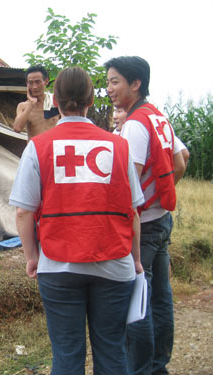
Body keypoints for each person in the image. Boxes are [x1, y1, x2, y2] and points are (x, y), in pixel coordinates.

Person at [10, 66, 144, 375]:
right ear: (92, 100)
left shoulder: (38, 147)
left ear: (54, 99)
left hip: (57, 265)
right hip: (115, 262)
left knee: (67, 355)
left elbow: (23, 212)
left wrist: (32, 257)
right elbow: (132, 212)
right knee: (112, 350)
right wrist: (135, 259)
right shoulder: (119, 146)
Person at [104, 56, 186, 375]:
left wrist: (138, 209)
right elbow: (180, 163)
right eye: (108, 81)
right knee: (161, 299)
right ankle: (158, 366)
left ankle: (141, 370)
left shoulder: (136, 125)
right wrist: (159, 197)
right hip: (162, 219)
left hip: (144, 226)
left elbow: (128, 184)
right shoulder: (158, 117)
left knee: (138, 303)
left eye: (115, 81)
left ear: (135, 84)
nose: (109, 88)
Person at [13, 65, 60, 140]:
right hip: (34, 150)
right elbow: (17, 128)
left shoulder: (55, 101)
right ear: (27, 84)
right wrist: (31, 104)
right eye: (31, 83)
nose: (34, 87)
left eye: (38, 82)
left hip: (53, 149)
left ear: (46, 81)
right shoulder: (23, 106)